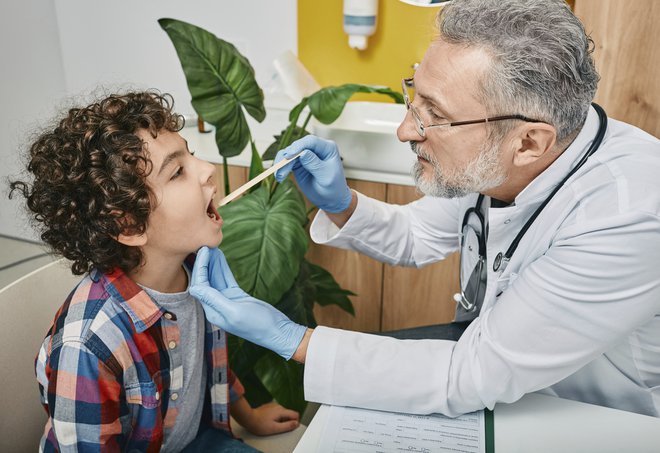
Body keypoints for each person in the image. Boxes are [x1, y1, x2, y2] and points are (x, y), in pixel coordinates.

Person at [190, 0, 660, 418]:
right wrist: (342, 204)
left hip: (601, 417)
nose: (405, 131)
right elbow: (418, 234)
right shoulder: (508, 153)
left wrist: (291, 338)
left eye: (435, 115)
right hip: (514, 391)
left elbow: (475, 372)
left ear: (528, 143)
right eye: (414, 96)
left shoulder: (626, 215)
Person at [10, 91, 300, 452]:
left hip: (200, 440)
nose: (206, 168)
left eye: (190, 154)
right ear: (130, 226)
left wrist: (248, 415)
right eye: (178, 171)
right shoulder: (88, 346)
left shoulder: (197, 270)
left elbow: (207, 362)